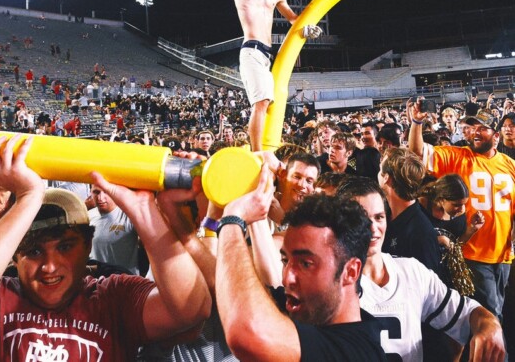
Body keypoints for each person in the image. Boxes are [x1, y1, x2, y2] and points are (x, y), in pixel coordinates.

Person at [0, 135, 211, 360]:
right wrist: (28, 198)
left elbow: (191, 309)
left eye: (66, 246)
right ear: (15, 254)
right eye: (34, 251)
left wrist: (145, 211)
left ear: (88, 245)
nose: (50, 266)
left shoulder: (112, 297)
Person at [213, 164, 385, 361]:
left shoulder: (356, 351)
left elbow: (246, 332)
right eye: (285, 260)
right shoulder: (308, 306)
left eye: (306, 264)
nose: (287, 276)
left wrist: (231, 220)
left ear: (351, 271)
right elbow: (219, 279)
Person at [174, 0, 321, 152]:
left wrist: (308, 28)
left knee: (270, 104)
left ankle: (266, 148)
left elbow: (293, 19)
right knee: (260, 103)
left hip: (267, 55)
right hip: (250, 50)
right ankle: (258, 153)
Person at [337, 176, 505, 362]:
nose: (373, 228)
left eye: (379, 217)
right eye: (360, 218)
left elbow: (466, 313)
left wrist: (490, 326)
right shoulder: (328, 281)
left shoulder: (411, 271)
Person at [409, 104, 515, 323]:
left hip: (504, 254)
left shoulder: (510, 165)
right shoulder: (457, 157)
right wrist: (417, 122)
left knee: (497, 313)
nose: (474, 132)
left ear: (495, 135)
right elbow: (417, 152)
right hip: (473, 252)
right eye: (472, 127)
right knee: (491, 316)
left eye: (482, 128)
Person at [378, 148, 441, 272]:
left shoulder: (421, 233)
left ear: (386, 178)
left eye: (380, 170)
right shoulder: (383, 214)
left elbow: (428, 285)